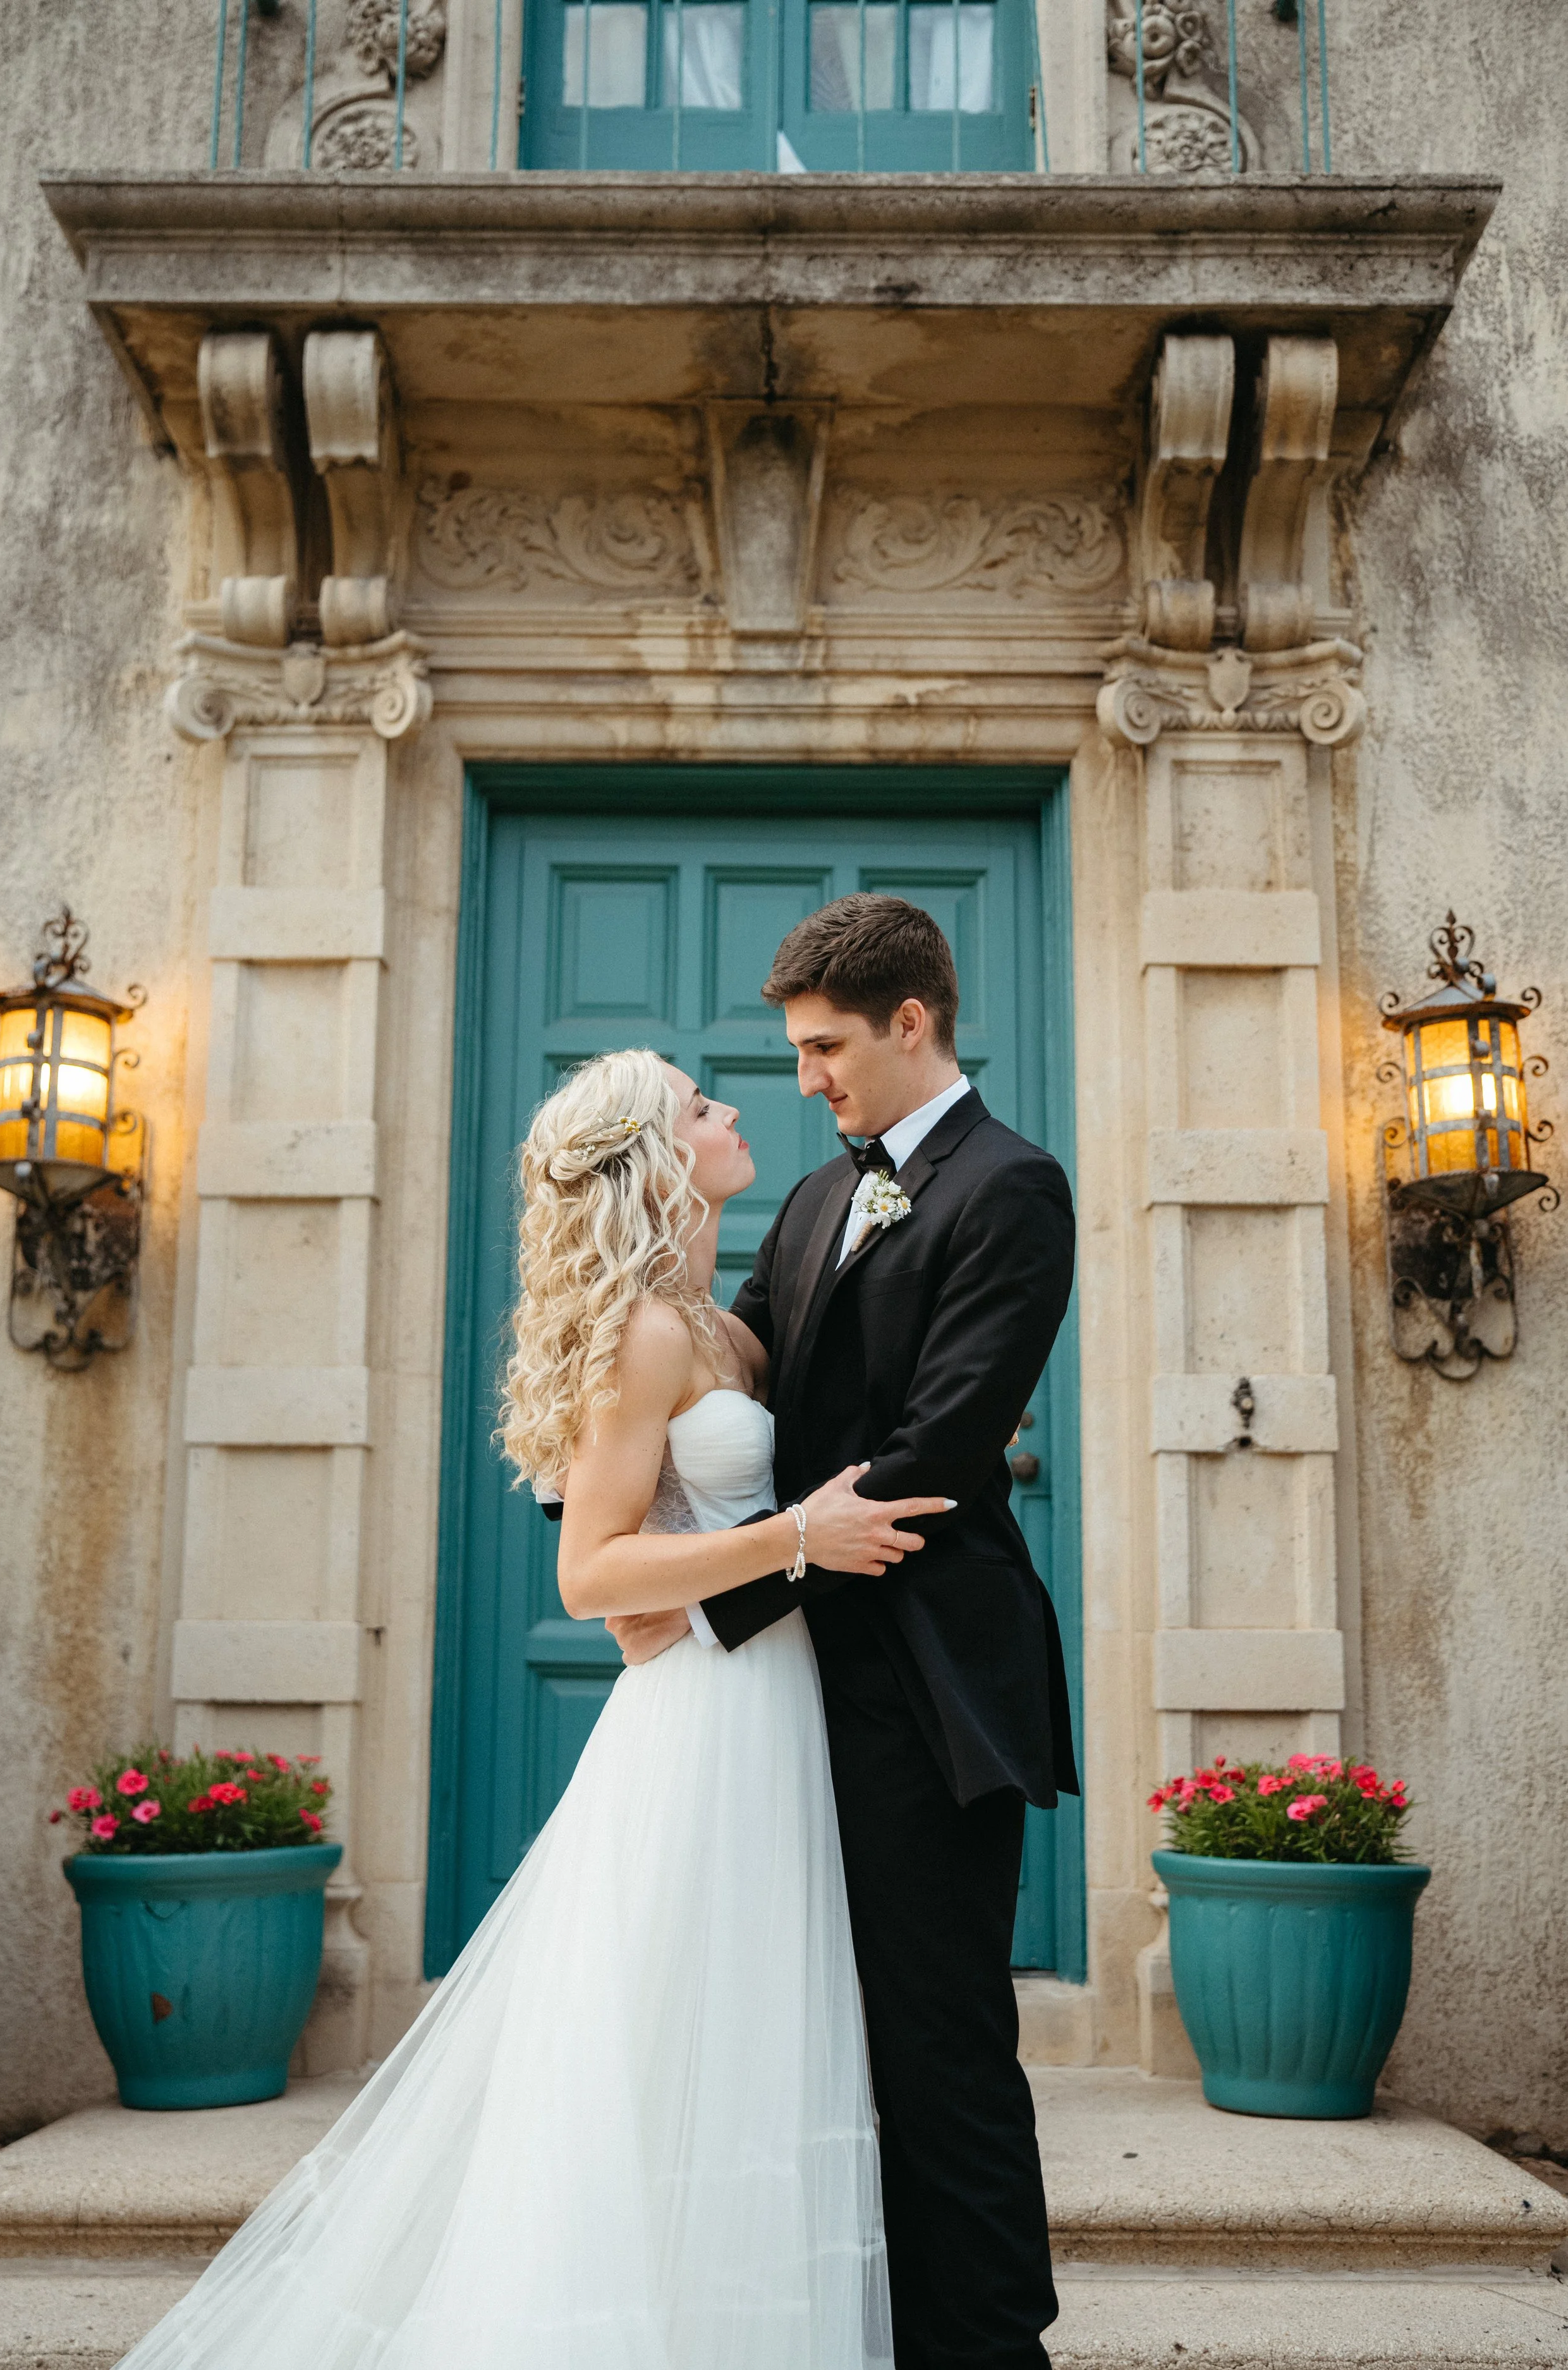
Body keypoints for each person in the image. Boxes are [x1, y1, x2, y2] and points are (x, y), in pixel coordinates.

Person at [111, 1044, 952, 2370]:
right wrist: (792, 1536)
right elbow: (590, 1575)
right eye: (697, 1103)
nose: (730, 1107)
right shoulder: (649, 1335)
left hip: (776, 1708)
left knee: (742, 2050)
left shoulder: (727, 1324)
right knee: (674, 2037)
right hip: (701, 1726)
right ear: (656, 1155)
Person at [611, 894, 1078, 2370]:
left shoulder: (1012, 1188)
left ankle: (993, 2351)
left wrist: (709, 1597)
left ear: (911, 1023)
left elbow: (936, 1450)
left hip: (927, 1694)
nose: (803, 1078)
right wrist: (603, 1444)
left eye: (823, 1048)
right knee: (821, 2048)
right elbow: (732, 1387)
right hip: (794, 1686)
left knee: (939, 2051)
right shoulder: (817, 1199)